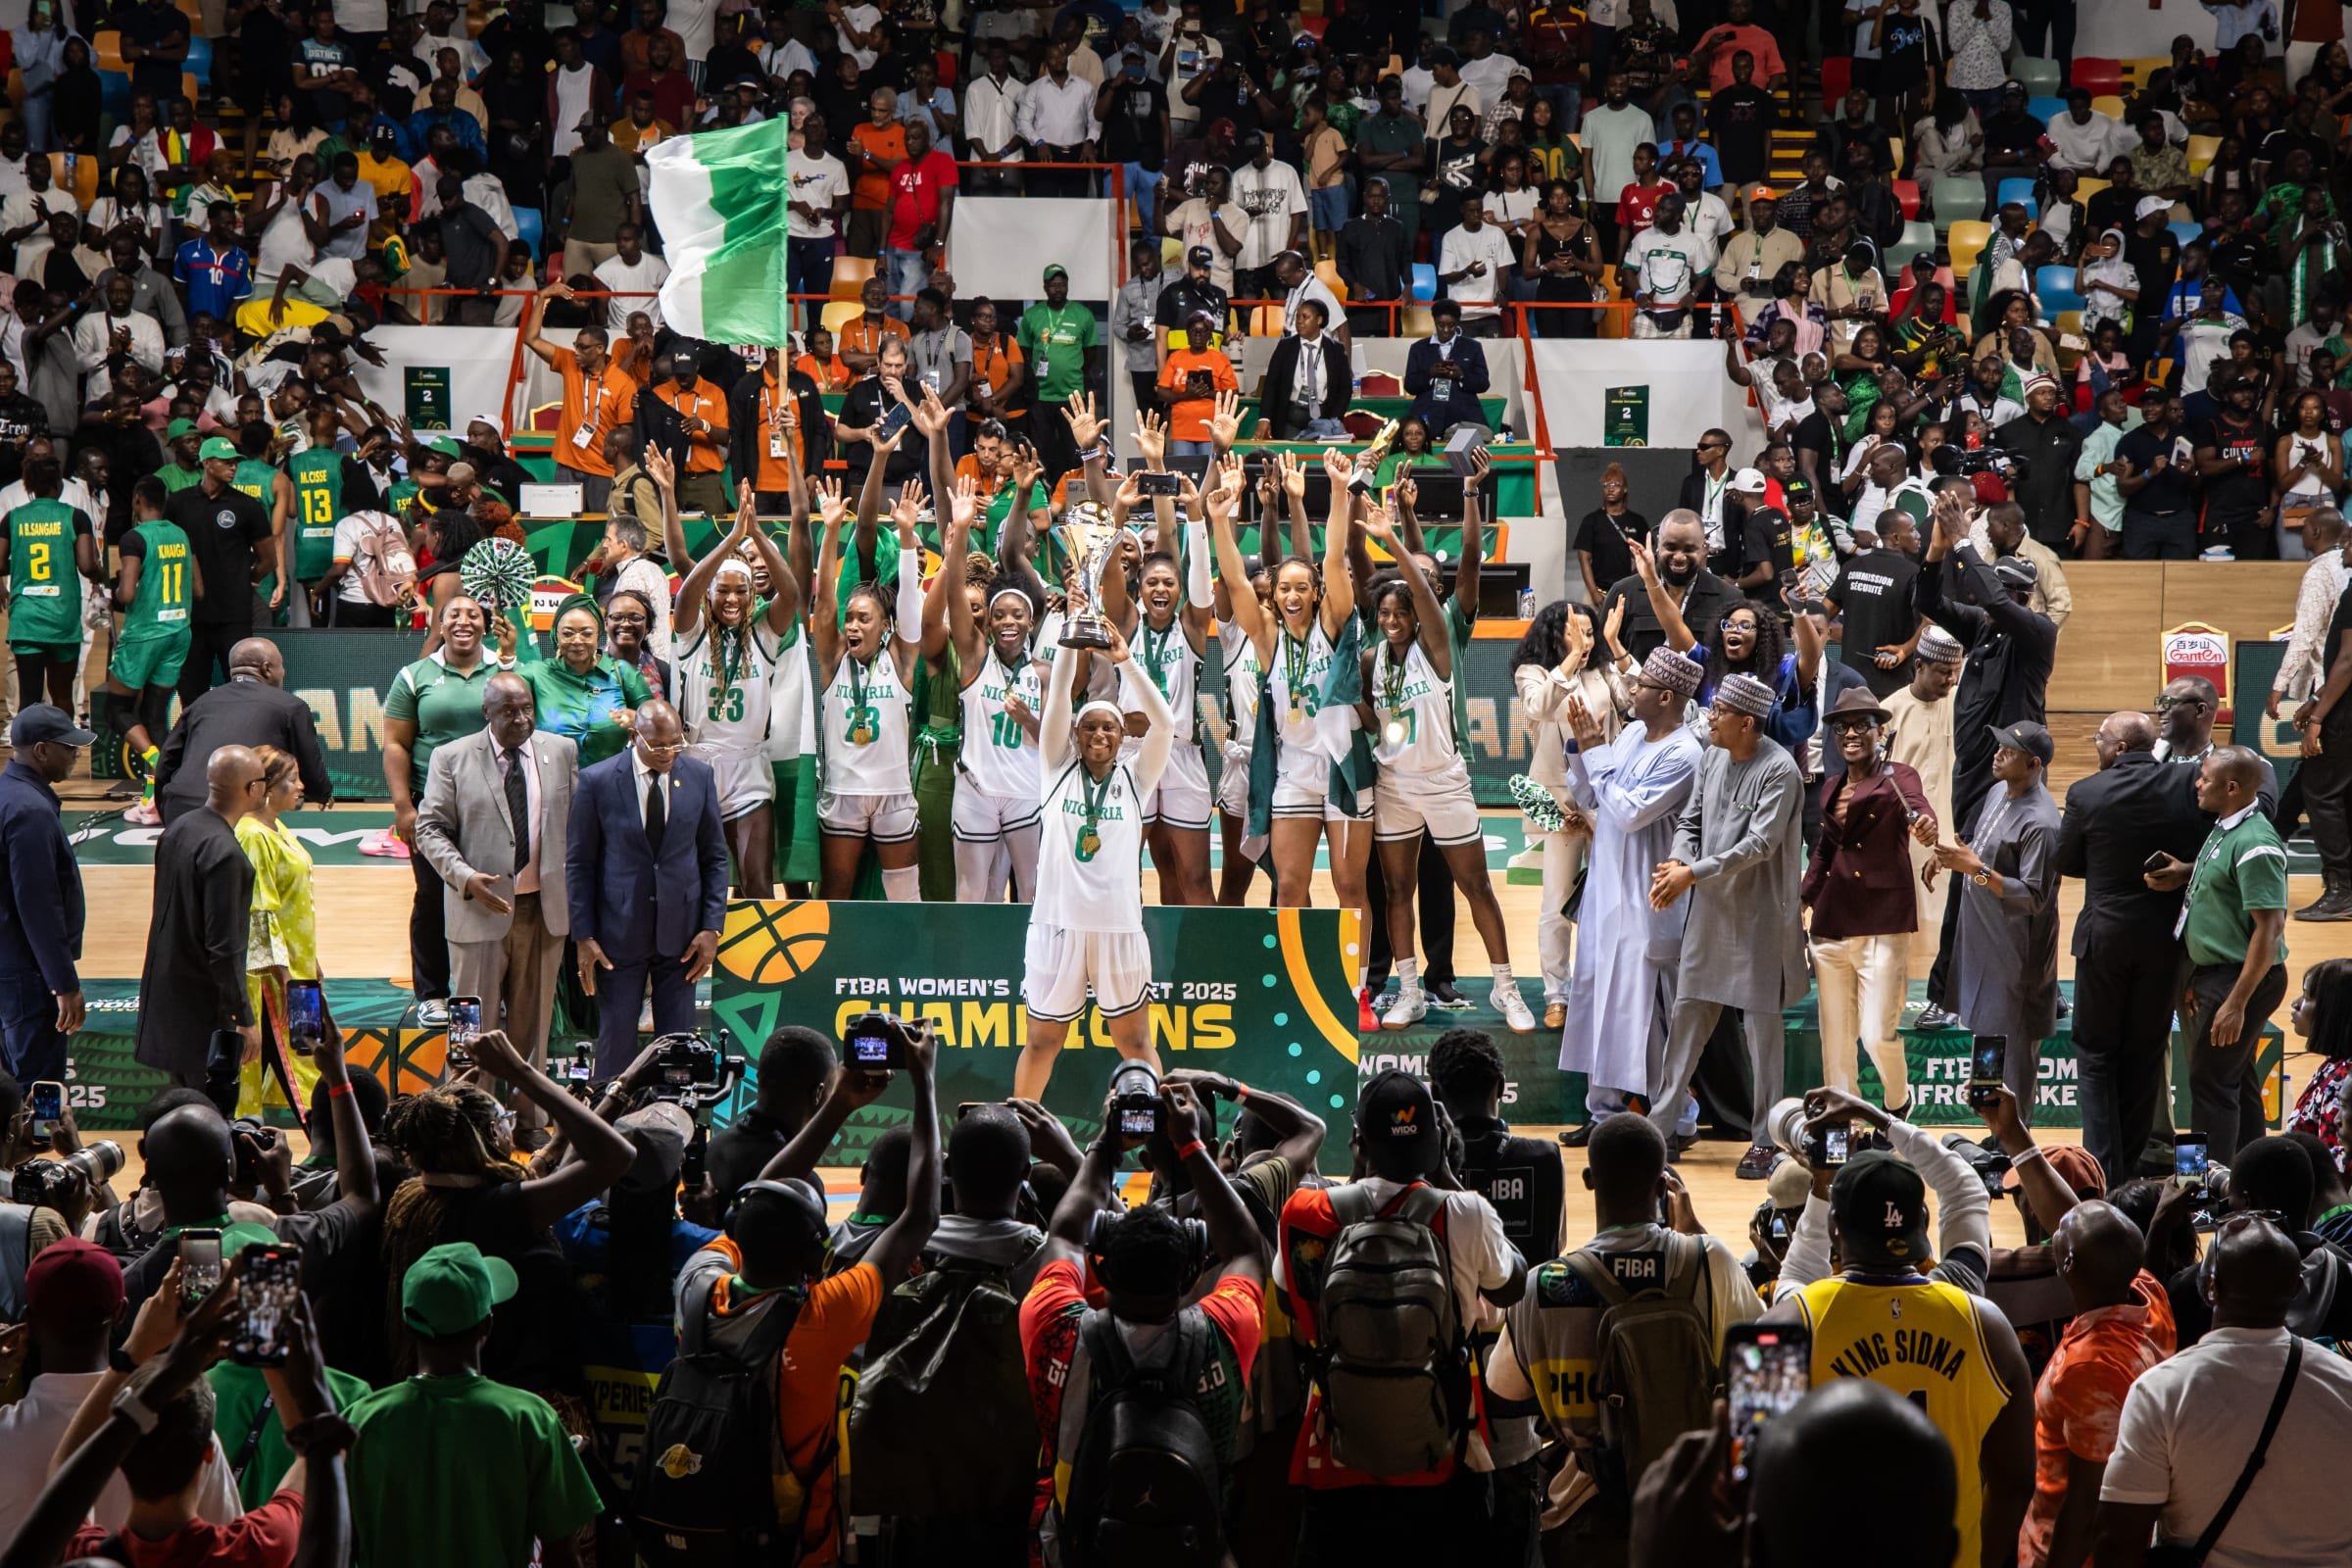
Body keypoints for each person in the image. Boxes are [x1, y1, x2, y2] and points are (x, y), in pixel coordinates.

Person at [673, 1027, 941, 1564]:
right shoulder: (823, 1316)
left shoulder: (698, 1282)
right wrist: (924, 1087)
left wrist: (839, 1103)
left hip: (702, 1522)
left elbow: (755, 1200)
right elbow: (920, 1218)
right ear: (811, 1262)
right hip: (797, 1543)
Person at [1487, 1113, 1765, 1562]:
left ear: (1589, 1180)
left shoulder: (1544, 1283)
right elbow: (1767, 1375)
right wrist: (1697, 1240)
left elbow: (1503, 1394)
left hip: (1586, 1518)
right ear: (1663, 1188)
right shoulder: (1710, 1260)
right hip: (1691, 1510)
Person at [1276, 1068, 1523, 1555]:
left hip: (1335, 1458)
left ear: (1358, 1142)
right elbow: (1512, 1285)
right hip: (1447, 1460)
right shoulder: (1466, 1212)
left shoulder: (1303, 1213)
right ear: (1436, 1142)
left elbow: (1291, 1303)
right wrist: (1449, 1182)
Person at [1022, 1075, 1264, 1568]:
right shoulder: (1225, 1329)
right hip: (1192, 1547)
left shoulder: (1055, 1326)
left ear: (1101, 1265)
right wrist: (1191, 1144)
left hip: (1080, 1546)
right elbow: (1244, 1245)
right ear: (1190, 1274)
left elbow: (1065, 1233)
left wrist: (1105, 1145)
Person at [1768, 1147, 2035, 1568]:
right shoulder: (1989, 1326)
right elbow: (2017, 1480)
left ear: (1834, 1226)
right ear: (1924, 1224)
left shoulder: (1782, 1323)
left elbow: (1745, 1474)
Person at [1202, 450, 1375, 1018]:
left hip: (1344, 772)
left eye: (1304, 586)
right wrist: (1222, 520)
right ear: (1274, 597)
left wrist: (1338, 491)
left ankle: (1357, 992)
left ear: (1318, 592)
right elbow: (1232, 577)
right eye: (1285, 589)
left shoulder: (1334, 624)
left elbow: (1333, 555)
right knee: (1290, 888)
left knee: (1351, 889)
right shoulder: (1267, 640)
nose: (1294, 594)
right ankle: (1289, 984)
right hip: (1293, 778)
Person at [1360, 503, 1533, 1032]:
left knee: (1475, 884)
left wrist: (1392, 542)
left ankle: (1507, 988)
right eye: (1385, 614)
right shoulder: (1372, 659)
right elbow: (1372, 715)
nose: (1392, 622)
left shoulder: (1436, 646)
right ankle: (1408, 990)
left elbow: (1438, 590)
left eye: (1401, 613)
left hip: (1445, 782)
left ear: (1418, 614)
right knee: (1396, 891)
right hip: (1394, 785)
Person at [2095, 1213, 2352, 1564]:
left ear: (2210, 1287)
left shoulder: (2160, 1391)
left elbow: (2119, 1540)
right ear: (2296, 1287)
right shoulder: (2344, 1380)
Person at [346, 1241, 603, 1568]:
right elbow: (563, 1556)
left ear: (409, 1324)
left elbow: (339, 1543)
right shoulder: (529, 1418)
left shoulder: (360, 1420)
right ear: (487, 1325)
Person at [1646, 672, 1807, 1179]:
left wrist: (1690, 873)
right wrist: (1678, 861)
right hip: (1710, 913)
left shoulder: (1781, 771)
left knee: (1763, 1036)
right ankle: (1661, 1126)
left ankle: (1766, 1140)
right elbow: (1690, 822)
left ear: (1747, 723)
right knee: (1686, 1021)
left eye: (1718, 712)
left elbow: (1759, 846)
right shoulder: (1713, 756)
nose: (1710, 718)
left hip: (1760, 919)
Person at [1011, 602, 1173, 1101]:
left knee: (1136, 1041)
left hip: (1119, 926)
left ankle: (1173, 1146)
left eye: (1110, 728)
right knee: (1042, 1041)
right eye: (1090, 728)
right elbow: (1058, 694)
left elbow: (1163, 723)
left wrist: (1125, 661)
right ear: (1075, 737)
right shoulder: (1055, 770)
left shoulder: (1136, 777)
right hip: (1057, 925)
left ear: (1123, 736)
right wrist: (1066, 634)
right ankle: (1016, 1142)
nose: (1100, 734)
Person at [1914, 487, 2058, 1030]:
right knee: (1969, 876)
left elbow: (1993, 600)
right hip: (1975, 774)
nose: (2005, 602)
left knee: (2011, 885)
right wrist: (1935, 549)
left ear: (2027, 598)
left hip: (2017, 779)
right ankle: (1949, 990)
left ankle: (2000, 991)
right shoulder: (1983, 628)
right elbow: (1927, 602)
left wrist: (1962, 541)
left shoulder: (2036, 632)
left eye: (2016, 594)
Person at [414, 672, 576, 1149]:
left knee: (532, 1026)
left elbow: (575, 828)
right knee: (473, 1031)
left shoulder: (560, 752)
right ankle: (467, 1127)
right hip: (478, 911)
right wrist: (464, 877)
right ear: (486, 712)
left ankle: (529, 1123)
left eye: (526, 708)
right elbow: (429, 830)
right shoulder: (452, 757)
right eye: (509, 711)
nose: (521, 718)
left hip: (542, 912)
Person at [1553, 644, 1706, 1147]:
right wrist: (1581, 750)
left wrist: (1596, 752)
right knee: (1597, 997)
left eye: (1639, 687)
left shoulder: (1685, 754)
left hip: (1648, 900)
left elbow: (1627, 812)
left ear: (1666, 696)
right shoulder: (1636, 732)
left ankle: (1678, 1119)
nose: (1631, 691)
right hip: (1605, 892)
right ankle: (1602, 1114)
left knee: (1648, 1016)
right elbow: (1593, 795)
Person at [2058, 710, 2212, 1185]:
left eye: (2100, 739)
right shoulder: (2188, 784)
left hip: (2104, 938)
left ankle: (2102, 1171)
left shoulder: (2086, 792)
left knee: (2096, 1054)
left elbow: (2068, 860)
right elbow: (2207, 846)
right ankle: (2129, 1170)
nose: (2096, 746)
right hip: (2164, 941)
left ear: (2120, 748)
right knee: (2145, 1053)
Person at [0, 1239, 244, 1537]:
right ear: (121, 1313)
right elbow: (225, 1533)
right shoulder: (187, 1428)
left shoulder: (5, 1433)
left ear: (29, 1320)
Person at [565, 700, 728, 1078]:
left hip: (684, 935)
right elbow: (579, 863)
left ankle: (675, 1124)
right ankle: (607, 1128)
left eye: (676, 743)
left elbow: (716, 858)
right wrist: (583, 934)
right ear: (635, 735)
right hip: (617, 934)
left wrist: (711, 927)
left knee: (678, 1049)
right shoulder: (597, 781)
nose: (669, 753)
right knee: (615, 1042)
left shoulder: (700, 776)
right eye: (658, 745)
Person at [2144, 747, 2290, 1163]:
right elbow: (2226, 870)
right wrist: (2186, 871)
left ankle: (2199, 1190)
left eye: (2204, 778)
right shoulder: (2228, 826)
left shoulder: (2257, 844)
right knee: (2234, 1081)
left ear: (2231, 788)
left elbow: (2270, 928)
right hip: (2219, 975)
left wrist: (2236, 1003)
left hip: (2237, 979)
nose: (2197, 783)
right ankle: (2249, 1180)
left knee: (2209, 1088)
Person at [2017, 1200, 2177, 1568]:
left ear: (2067, 1263)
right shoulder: (2146, 1291)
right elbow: (2106, 1241)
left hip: (2061, 1549)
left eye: (2060, 1230)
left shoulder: (2091, 1368)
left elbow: (2088, 1504)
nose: (2053, 1230)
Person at [1803, 688, 1938, 1113]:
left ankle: (1897, 1105)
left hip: (1882, 920)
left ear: (1881, 731)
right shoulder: (1830, 786)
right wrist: (1802, 898)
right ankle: (1843, 1114)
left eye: (1862, 725)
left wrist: (1927, 828)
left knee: (1876, 1032)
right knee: (1837, 1037)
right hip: (1832, 923)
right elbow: (1825, 850)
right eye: (1843, 727)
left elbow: (1919, 810)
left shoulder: (1898, 778)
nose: (1851, 734)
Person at [667, 479, 798, 898]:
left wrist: (755, 533)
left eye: (741, 590)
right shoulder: (691, 633)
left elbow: (792, 593)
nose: (732, 599)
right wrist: (730, 543)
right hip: (697, 766)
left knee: (757, 881)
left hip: (748, 770)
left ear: (752, 593)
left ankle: (753, 962)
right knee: (697, 882)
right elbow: (688, 589)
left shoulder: (764, 632)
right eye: (722, 590)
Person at [808, 461, 926, 902]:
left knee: (904, 899)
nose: (852, 625)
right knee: (837, 898)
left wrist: (909, 539)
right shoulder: (833, 658)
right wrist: (831, 532)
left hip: (895, 793)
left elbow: (911, 606)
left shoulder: (900, 659)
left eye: (864, 619)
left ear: (884, 626)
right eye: (850, 618)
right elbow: (823, 606)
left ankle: (905, 968)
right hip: (843, 793)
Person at [1933, 720, 2062, 1117]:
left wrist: (1975, 871)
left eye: (2009, 751)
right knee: (1985, 1038)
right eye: (1999, 746)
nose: (1998, 755)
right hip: (1981, 942)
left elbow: (2034, 897)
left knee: (2013, 1052)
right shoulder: (1995, 792)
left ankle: (2016, 1140)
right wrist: (1952, 860)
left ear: (2034, 764)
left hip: (2015, 955)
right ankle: (1994, 1129)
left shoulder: (2042, 823)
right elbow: (1980, 854)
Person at [383, 598, 498, 1026]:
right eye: (454, 614)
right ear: (440, 623)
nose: (463, 621)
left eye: (473, 615)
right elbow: (396, 744)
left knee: (489, 897)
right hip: (432, 806)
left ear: (485, 625)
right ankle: (432, 993)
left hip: (493, 806)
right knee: (433, 896)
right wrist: (402, 807)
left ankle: (487, 989)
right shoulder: (414, 676)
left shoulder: (504, 670)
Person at [136, 746, 261, 1106]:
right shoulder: (228, 856)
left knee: (183, 1113)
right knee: (207, 1122)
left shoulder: (179, 829)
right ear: (251, 789)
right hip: (203, 1016)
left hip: (166, 999)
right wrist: (244, 1018)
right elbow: (224, 950)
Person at [150, 637, 331, 826]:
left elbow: (166, 762)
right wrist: (322, 793)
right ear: (267, 669)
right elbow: (308, 760)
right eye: (281, 666)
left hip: (181, 806)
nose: (283, 672)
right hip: (236, 811)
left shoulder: (200, 704)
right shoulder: (290, 706)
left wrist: (166, 810)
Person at [0, 705, 85, 1083]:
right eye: (69, 747)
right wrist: (63, 983)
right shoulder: (30, 811)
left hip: (8, 963)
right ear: (41, 751)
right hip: (26, 974)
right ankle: (34, 1144)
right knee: (37, 1090)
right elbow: (39, 906)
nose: (77, 754)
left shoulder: (7, 794)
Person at [164, 435, 274, 708]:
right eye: (226, 462)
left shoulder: (247, 506)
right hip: (192, 615)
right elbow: (169, 554)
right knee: (191, 694)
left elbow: (268, 560)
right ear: (207, 463)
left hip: (234, 615)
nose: (233, 467)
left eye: (235, 462)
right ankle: (196, 747)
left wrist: (245, 581)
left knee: (239, 692)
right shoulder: (178, 504)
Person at [523, 283, 637, 514]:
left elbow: (626, 431)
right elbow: (531, 339)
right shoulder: (569, 363)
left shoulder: (623, 382)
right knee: (564, 524)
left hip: (602, 469)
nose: (577, 352)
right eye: (576, 346)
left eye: (583, 348)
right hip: (567, 463)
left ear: (599, 349)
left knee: (599, 527)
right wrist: (543, 296)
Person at [0, 451, 96, 715]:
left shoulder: (13, 518)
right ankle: (64, 752)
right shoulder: (75, 517)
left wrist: (17, 564)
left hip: (27, 619)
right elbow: (87, 566)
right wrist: (99, 577)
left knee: (29, 699)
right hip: (62, 618)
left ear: (28, 486)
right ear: (59, 485)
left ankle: (27, 754)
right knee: (62, 695)